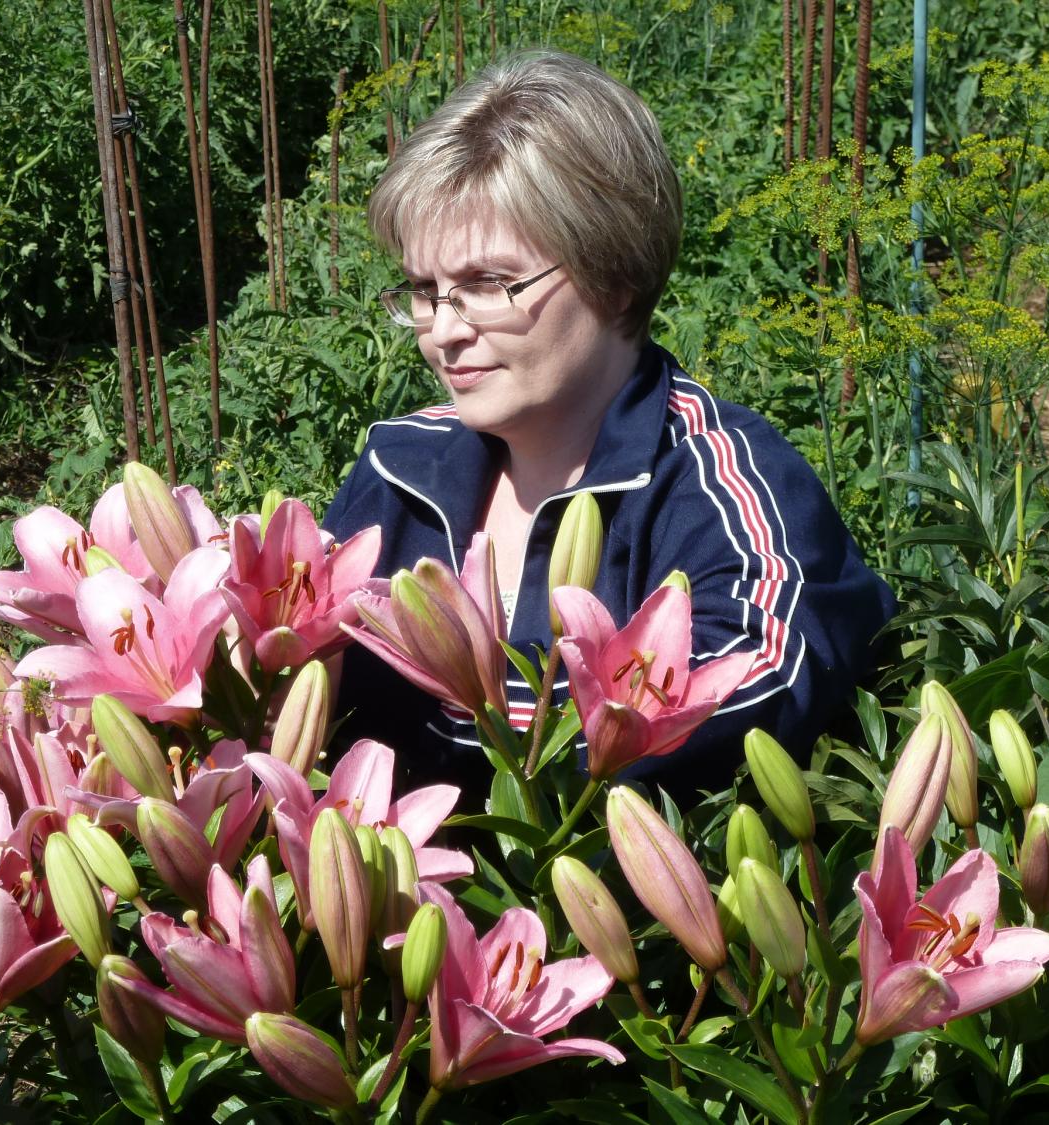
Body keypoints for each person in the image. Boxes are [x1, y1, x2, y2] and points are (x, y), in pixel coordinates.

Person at [321, 49, 895, 799]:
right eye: (425, 291)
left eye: (488, 283)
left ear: (614, 276)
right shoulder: (397, 467)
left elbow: (760, 686)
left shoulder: (721, 481)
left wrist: (459, 712)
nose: (444, 331)